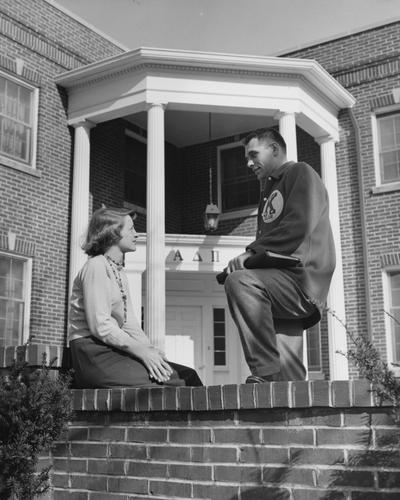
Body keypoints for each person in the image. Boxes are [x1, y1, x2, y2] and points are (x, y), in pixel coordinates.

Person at [223, 128, 335, 383]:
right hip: (279, 284)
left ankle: (264, 370)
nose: (249, 163)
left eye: (253, 154)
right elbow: (272, 240)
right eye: (246, 159)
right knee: (290, 376)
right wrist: (256, 256)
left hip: (300, 280)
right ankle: (297, 419)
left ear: (274, 149)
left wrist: (252, 253)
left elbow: (300, 222)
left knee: (241, 281)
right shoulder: (269, 189)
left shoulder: (300, 172)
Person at [68, 206, 203, 388]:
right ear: (113, 233)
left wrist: (150, 351)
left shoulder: (118, 271)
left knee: (187, 375)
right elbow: (100, 325)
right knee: (178, 382)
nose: (136, 234)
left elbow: (128, 322)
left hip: (112, 349)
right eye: (131, 229)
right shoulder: (96, 266)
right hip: (93, 355)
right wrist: (141, 352)